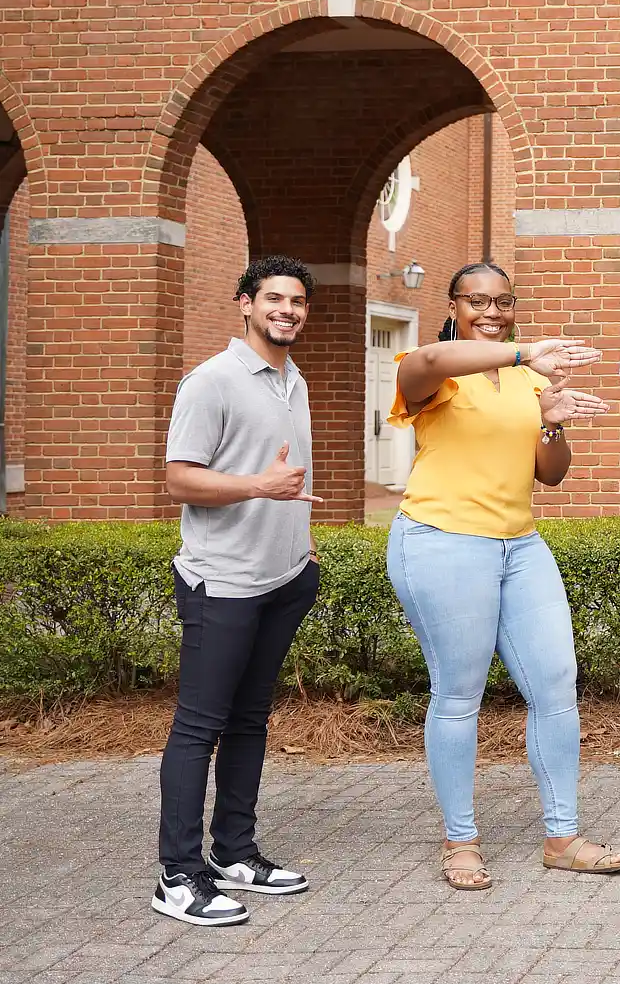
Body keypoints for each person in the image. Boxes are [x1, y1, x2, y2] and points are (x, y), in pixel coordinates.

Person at [386, 261, 620, 891]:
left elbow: (550, 473)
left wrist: (550, 418)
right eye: (477, 302)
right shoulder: (433, 366)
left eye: (503, 302)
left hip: (519, 545)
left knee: (556, 684)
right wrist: (524, 351)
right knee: (459, 694)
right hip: (442, 540)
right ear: (454, 306)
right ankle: (460, 841)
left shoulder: (526, 378)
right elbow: (424, 368)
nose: (491, 312)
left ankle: (562, 836)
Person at [154, 255, 324, 926]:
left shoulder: (293, 379)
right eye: (274, 298)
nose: (287, 309)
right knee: (199, 727)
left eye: (298, 302)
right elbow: (179, 479)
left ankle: (233, 852)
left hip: (282, 581)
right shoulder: (212, 381)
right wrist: (258, 488)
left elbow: (284, 475)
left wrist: (297, 537)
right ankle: (178, 874)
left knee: (250, 722)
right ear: (246, 305)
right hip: (221, 584)